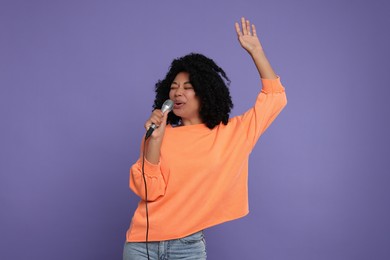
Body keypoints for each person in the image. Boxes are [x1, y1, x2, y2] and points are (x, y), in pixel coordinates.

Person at [123, 17, 287, 260]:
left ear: (205, 92)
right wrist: (154, 141)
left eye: (187, 87)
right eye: (174, 86)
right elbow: (149, 191)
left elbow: (275, 98)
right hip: (140, 245)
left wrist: (256, 52)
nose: (178, 92)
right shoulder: (158, 133)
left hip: (187, 248)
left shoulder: (233, 133)